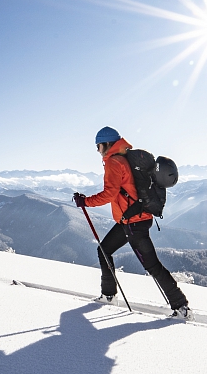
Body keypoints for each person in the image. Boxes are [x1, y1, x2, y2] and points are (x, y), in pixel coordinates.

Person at [73, 126, 190, 318]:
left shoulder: (114, 162)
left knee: (152, 266)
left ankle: (181, 307)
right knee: (104, 250)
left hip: (133, 223)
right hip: (131, 220)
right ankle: (109, 295)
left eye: (99, 146)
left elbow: (109, 194)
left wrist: (85, 201)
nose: (97, 150)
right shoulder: (125, 157)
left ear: (107, 144)